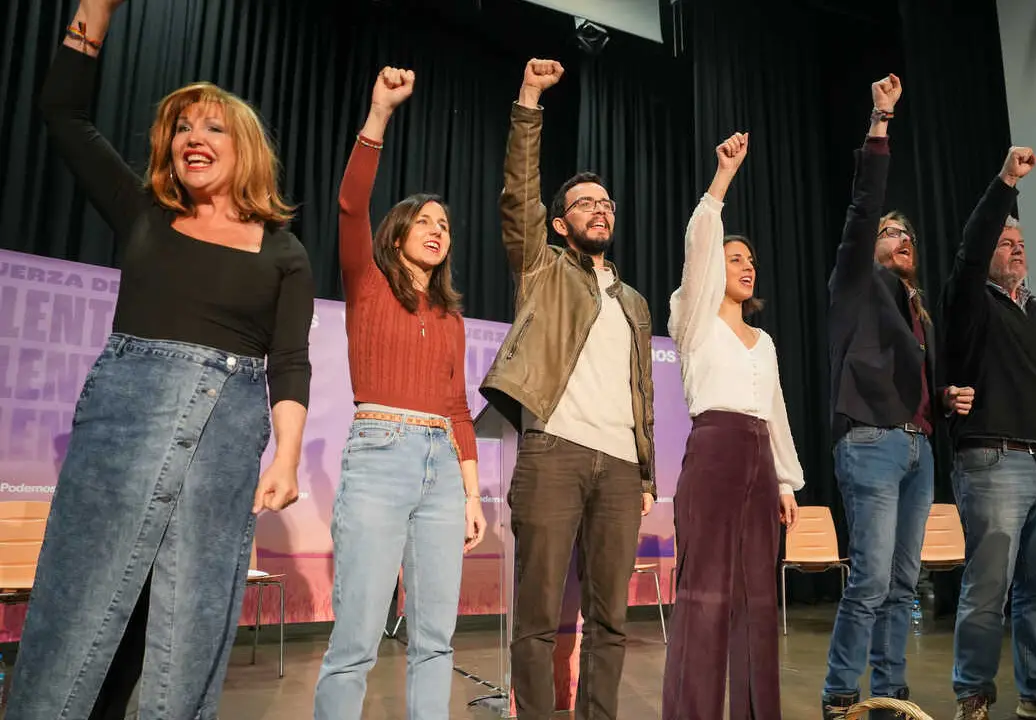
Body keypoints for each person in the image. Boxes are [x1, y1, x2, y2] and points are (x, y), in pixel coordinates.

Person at [9, 0, 312, 717]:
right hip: (126, 422)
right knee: (82, 594)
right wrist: (95, 13)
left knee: (187, 614)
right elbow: (62, 115)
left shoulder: (283, 252)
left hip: (226, 435)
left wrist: (290, 457)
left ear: (245, 147)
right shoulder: (144, 212)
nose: (191, 137)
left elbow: (291, 361)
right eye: (181, 127)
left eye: (211, 126)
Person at [479, 58, 656, 720]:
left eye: (606, 202)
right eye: (584, 202)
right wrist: (529, 100)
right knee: (539, 610)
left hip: (618, 467)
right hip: (553, 451)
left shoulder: (634, 302)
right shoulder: (542, 271)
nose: (599, 209)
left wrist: (645, 471)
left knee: (611, 619)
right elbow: (518, 193)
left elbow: (643, 392)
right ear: (559, 224)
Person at [312, 67, 487, 720]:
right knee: (356, 636)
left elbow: (458, 408)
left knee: (436, 639)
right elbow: (351, 204)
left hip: (442, 468)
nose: (439, 229)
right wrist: (380, 111)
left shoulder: (451, 318)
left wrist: (472, 494)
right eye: (426, 220)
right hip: (380, 454)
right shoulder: (367, 282)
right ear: (399, 231)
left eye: (445, 223)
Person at [822, 74, 974, 720]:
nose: (900, 238)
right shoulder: (857, 281)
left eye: (905, 235)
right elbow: (864, 206)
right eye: (890, 232)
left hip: (918, 450)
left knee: (903, 583)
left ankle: (889, 692)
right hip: (872, 444)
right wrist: (881, 119)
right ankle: (838, 693)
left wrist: (943, 401)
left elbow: (914, 382)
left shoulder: (920, 315)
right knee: (872, 578)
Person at [940, 148, 1036, 720]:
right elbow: (972, 246)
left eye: (1021, 242)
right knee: (988, 589)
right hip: (994, 461)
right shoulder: (971, 302)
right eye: (1005, 243)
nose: (1016, 247)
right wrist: (1006, 182)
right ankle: (973, 695)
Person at [661, 132, 803, 720]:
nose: (748, 267)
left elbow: (775, 409)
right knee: (704, 598)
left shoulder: (764, 340)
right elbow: (699, 245)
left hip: (758, 464)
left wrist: (787, 480)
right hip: (715, 455)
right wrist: (721, 181)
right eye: (735, 258)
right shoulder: (692, 318)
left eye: (752, 262)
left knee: (757, 600)